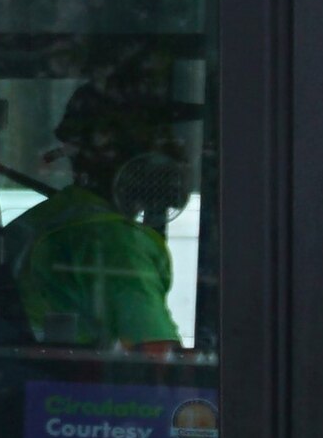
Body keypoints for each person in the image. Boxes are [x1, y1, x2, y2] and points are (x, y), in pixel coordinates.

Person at [11, 73, 197, 350]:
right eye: (164, 139)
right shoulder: (112, 242)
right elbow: (157, 359)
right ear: (119, 150)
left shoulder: (60, 216)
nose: (180, 156)